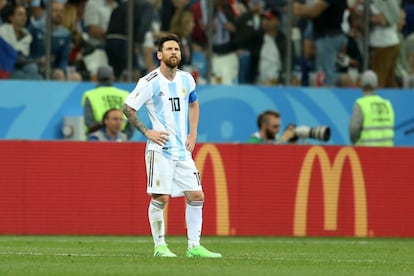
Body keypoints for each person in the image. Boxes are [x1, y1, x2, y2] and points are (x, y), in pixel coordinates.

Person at [122, 34, 222, 258]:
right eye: (169, 49)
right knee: (161, 198)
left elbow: (194, 104)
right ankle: (160, 247)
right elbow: (127, 108)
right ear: (159, 55)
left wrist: (193, 132)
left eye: (176, 49)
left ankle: (194, 247)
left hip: (182, 151)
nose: (174, 52)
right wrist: (148, 132)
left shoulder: (187, 79)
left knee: (197, 196)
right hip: (160, 150)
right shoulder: (149, 82)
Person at [82, 65, 133, 139]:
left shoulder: (90, 95)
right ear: (113, 77)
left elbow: (88, 121)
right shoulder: (125, 94)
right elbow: (132, 121)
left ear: (96, 78)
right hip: (120, 139)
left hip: (97, 140)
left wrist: (99, 136)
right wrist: (125, 137)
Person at [349, 70, 395, 146]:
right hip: (387, 152)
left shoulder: (361, 104)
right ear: (376, 85)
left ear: (361, 85)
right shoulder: (387, 104)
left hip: (367, 153)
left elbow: (353, 130)